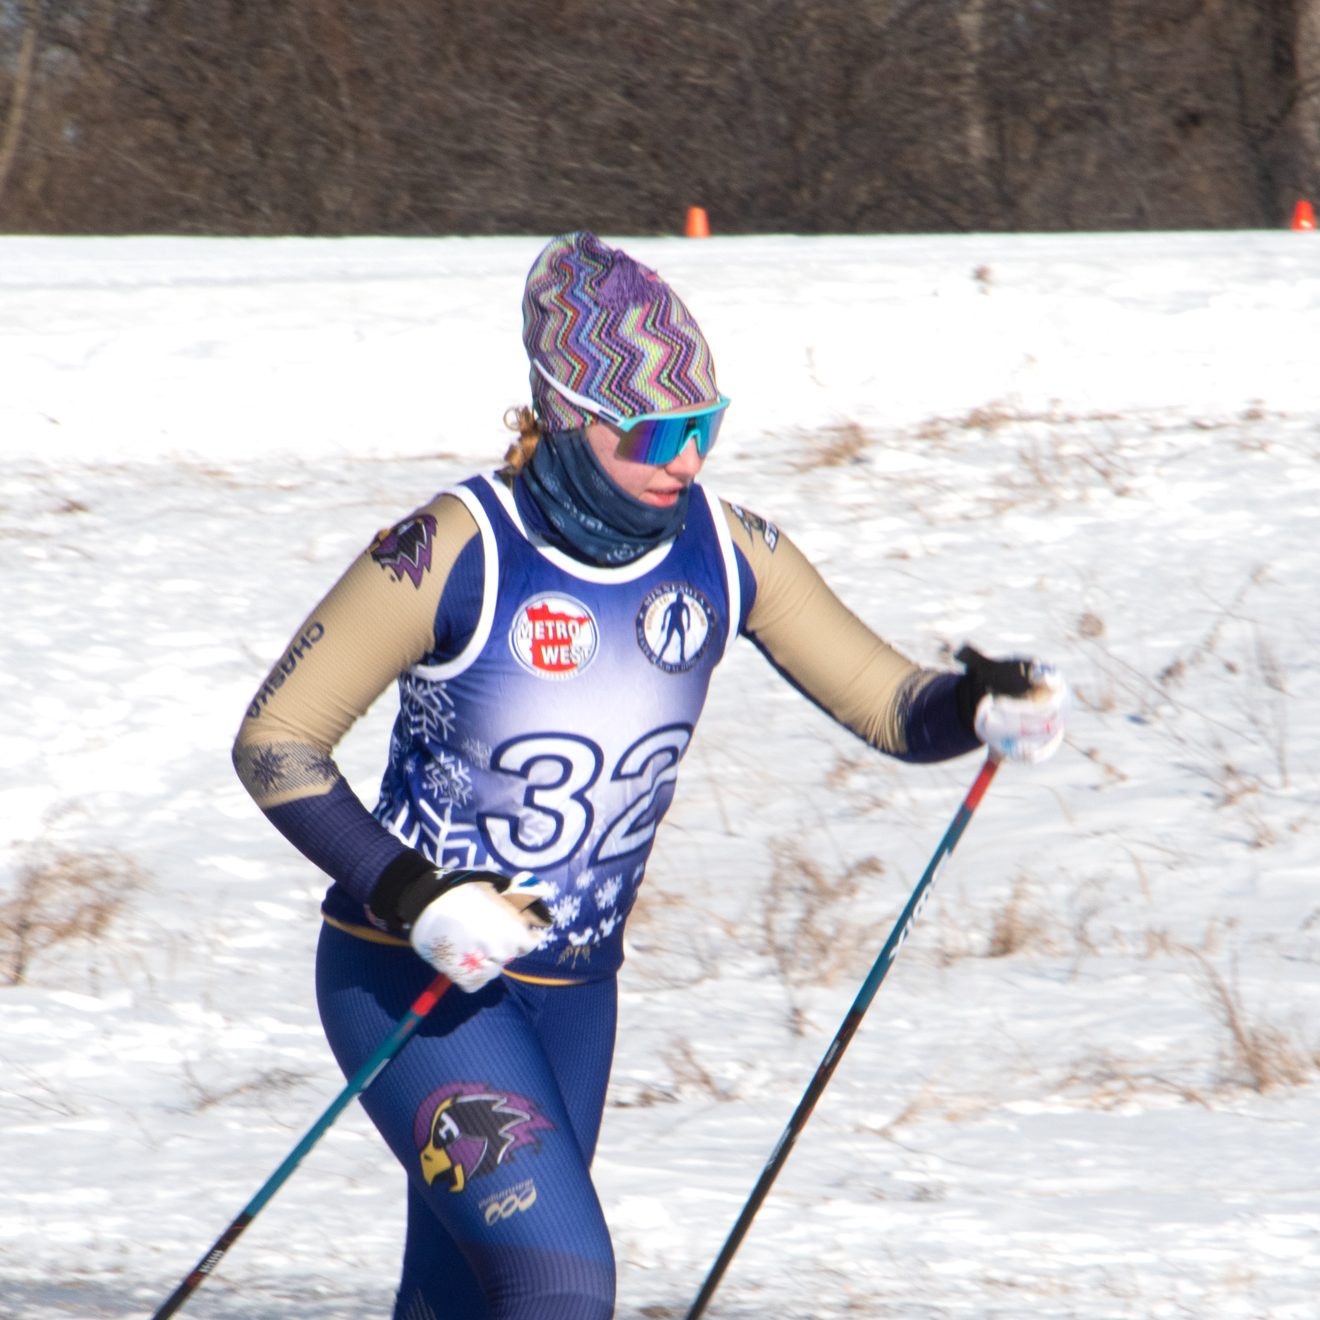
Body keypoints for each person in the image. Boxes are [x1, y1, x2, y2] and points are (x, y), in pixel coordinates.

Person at [232, 230, 1066, 1320]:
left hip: (577, 994)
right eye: (656, 432)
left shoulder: (727, 549)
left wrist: (978, 706)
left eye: (706, 425)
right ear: (567, 417)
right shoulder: (455, 548)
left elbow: (893, 706)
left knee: (462, 1295)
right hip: (412, 975)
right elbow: (277, 740)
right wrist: (413, 893)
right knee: (562, 1280)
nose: (687, 459)